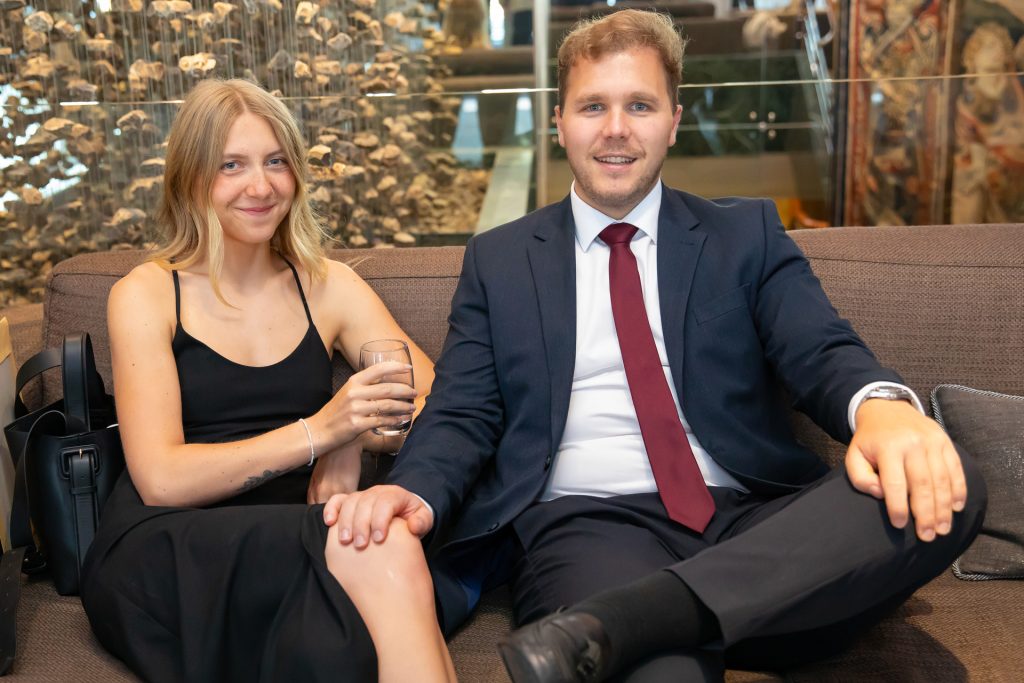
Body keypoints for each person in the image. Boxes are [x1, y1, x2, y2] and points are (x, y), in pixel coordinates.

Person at [325, 10, 987, 683]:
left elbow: (819, 348)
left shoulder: (746, 235)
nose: (616, 128)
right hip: (590, 530)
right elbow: (464, 410)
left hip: (755, 523)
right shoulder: (500, 260)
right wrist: (413, 491)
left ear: (673, 120)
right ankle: (661, 617)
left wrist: (881, 408)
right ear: (559, 123)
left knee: (946, 479)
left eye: (639, 105)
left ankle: (636, 616)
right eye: (593, 106)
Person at [79, 79, 456, 683]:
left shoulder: (327, 285)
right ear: (190, 177)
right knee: (380, 542)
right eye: (231, 165)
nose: (260, 186)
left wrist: (355, 439)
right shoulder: (147, 294)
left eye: (276, 162)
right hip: (173, 542)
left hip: (301, 527)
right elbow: (161, 480)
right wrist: (320, 433)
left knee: (369, 555)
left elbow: (441, 404)